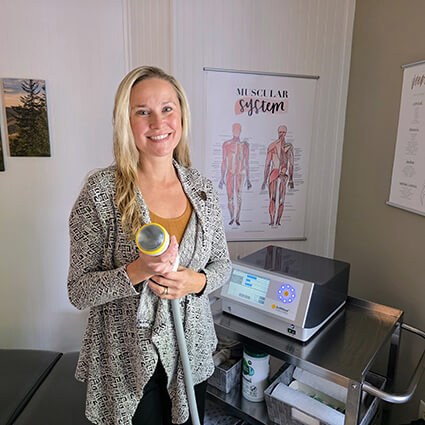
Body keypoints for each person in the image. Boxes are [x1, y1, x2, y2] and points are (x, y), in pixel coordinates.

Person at [67, 66, 232, 425]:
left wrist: (196, 282)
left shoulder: (203, 191)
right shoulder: (101, 193)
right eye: (143, 111)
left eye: (167, 108)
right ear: (126, 122)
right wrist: (137, 270)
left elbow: (222, 264)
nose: (158, 123)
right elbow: (78, 291)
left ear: (181, 115)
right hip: (126, 361)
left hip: (190, 355)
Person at [218, 123, 251, 226]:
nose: (237, 131)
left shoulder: (244, 146)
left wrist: (248, 179)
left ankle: (237, 218)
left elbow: (246, 162)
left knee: (239, 196)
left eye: (238, 129)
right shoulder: (227, 144)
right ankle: (232, 217)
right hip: (230, 173)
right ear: (232, 130)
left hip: (240, 174)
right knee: (230, 197)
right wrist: (221, 178)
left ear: (240, 131)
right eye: (235, 129)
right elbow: (224, 161)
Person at [261, 125, 294, 226]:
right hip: (273, 173)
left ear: (286, 133)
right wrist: (264, 180)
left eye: (283, 132)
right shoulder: (272, 146)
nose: (282, 134)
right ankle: (272, 220)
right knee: (272, 198)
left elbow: (291, 164)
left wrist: (291, 179)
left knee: (281, 200)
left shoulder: (289, 147)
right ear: (278, 133)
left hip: (283, 174)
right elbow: (267, 164)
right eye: (280, 132)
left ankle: (278, 221)